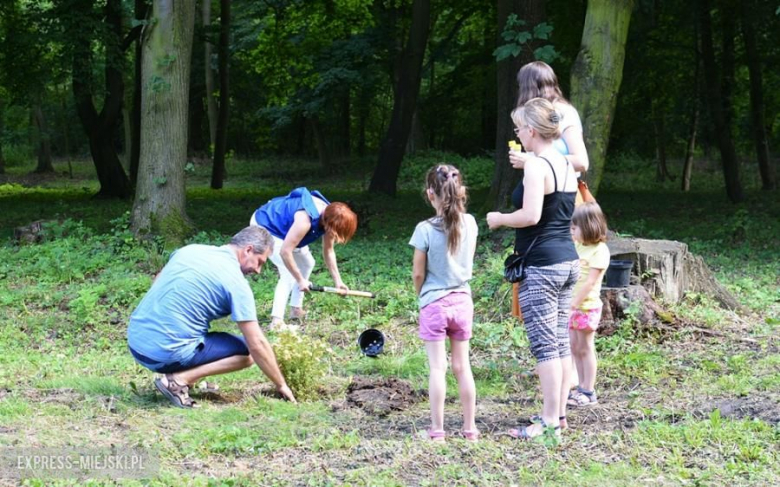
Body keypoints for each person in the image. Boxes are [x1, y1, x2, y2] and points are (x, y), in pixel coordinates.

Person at [487, 98, 579, 440]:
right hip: (568, 262)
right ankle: (560, 415)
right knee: (560, 342)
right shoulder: (566, 165)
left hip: (542, 266)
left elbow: (531, 216)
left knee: (545, 347)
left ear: (531, 130)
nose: (517, 134)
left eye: (518, 128)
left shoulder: (538, 165)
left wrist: (499, 220)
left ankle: (549, 423)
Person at [127, 226, 297, 407]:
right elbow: (257, 343)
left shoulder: (190, 250)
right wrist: (281, 384)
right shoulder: (237, 284)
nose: (258, 270)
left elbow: (159, 279)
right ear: (248, 250)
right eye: (260, 262)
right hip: (163, 354)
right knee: (247, 352)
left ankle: (186, 375)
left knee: (205, 336)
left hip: (135, 342)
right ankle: (178, 381)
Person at [410, 164, 479, 442]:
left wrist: (421, 295)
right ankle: (470, 429)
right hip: (463, 301)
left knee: (437, 368)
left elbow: (418, 272)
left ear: (430, 195)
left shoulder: (424, 229)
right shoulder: (471, 223)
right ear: (461, 191)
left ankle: (437, 431)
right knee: (463, 367)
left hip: (434, 303)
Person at [250, 188, 358, 329]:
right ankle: (276, 321)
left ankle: (295, 309)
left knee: (308, 263)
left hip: (287, 229)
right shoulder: (305, 221)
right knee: (288, 274)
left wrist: (338, 281)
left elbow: (328, 250)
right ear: (328, 225)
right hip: (266, 224)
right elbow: (285, 252)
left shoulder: (332, 216)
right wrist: (300, 280)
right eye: (336, 233)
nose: (336, 237)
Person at [509, 61, 589, 174]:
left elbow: (581, 162)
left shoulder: (563, 112)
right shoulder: (536, 114)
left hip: (562, 190)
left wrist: (532, 161)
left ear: (528, 87)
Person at [568, 202, 609, 407]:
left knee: (585, 348)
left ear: (590, 226)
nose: (571, 232)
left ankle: (588, 390)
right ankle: (579, 386)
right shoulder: (577, 246)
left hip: (586, 307)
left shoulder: (600, 251)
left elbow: (590, 282)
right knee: (574, 347)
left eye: (575, 228)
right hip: (571, 306)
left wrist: (574, 304)